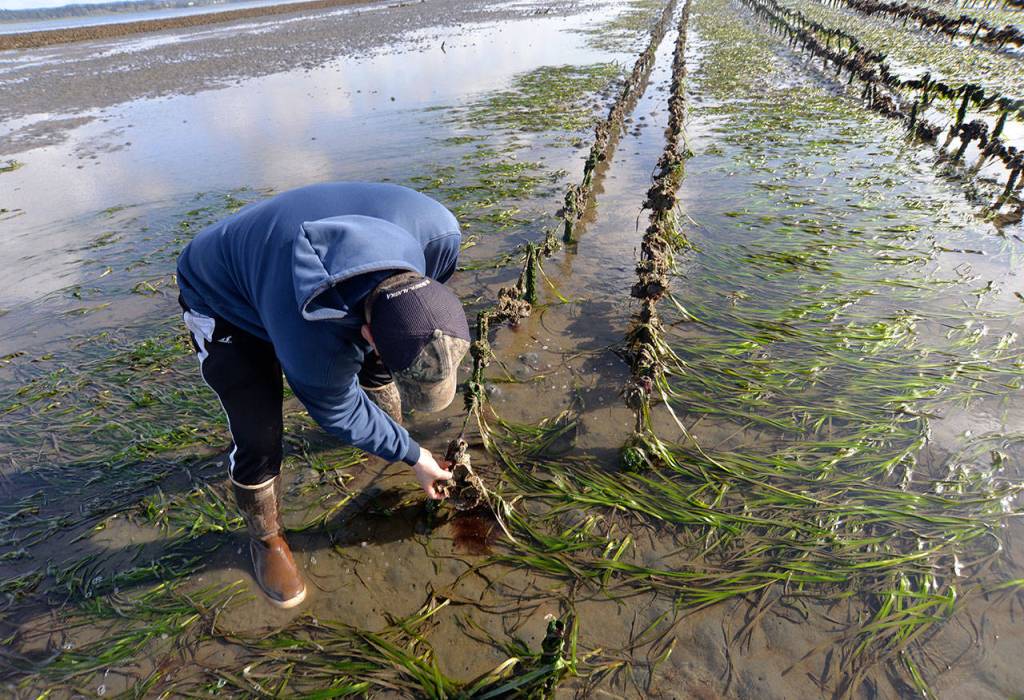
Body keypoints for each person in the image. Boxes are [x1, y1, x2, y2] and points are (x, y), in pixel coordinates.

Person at [176, 182, 470, 608]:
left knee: (391, 338)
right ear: (365, 334)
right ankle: (267, 538)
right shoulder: (316, 349)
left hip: (294, 259)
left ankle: (386, 431)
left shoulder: (440, 236)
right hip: (222, 294)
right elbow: (339, 411)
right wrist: (414, 455)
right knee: (258, 431)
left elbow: (403, 313)